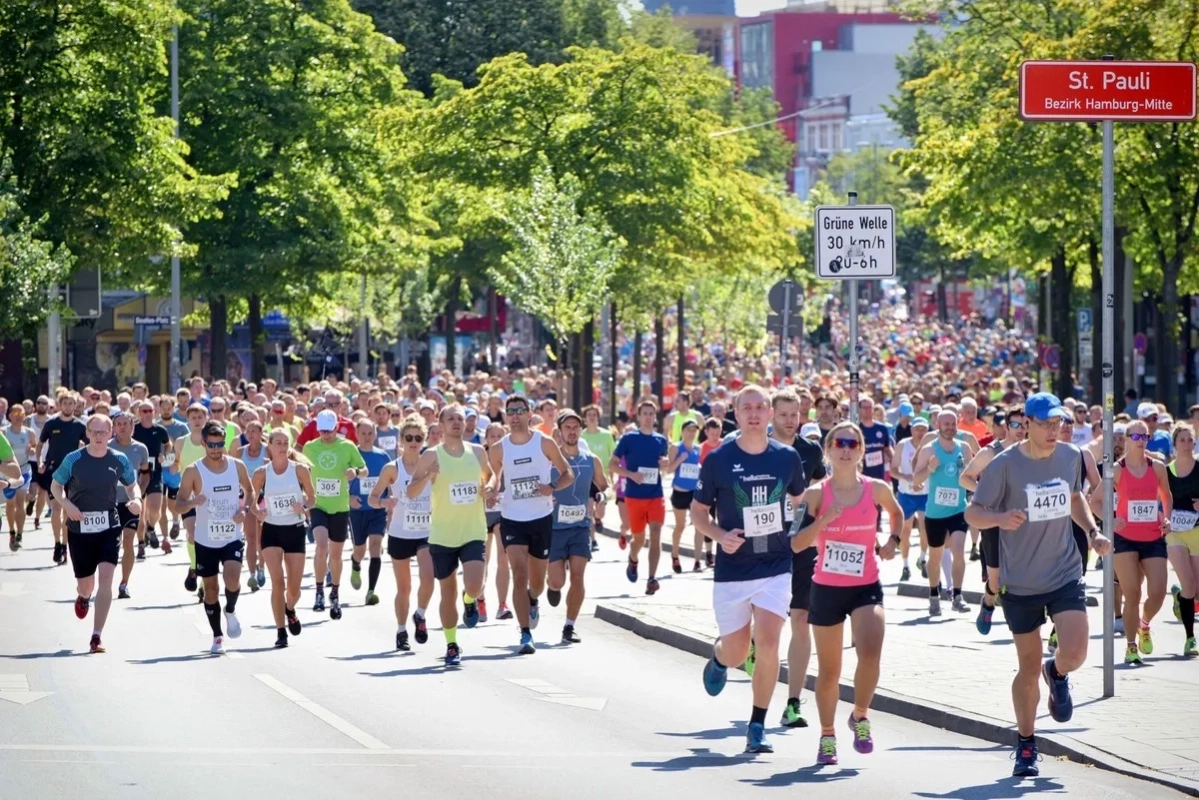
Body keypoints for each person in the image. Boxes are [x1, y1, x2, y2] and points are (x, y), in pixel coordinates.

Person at [965, 392, 1111, 778]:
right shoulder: (1004, 465)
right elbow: (973, 512)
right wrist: (999, 519)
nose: (1053, 430)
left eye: (1058, 423)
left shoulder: (1070, 456)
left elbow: (1075, 496)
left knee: (1076, 651)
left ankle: (1058, 673)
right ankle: (1026, 743)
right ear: (1026, 424)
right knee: (1027, 668)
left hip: (1064, 571)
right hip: (1021, 582)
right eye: (1045, 423)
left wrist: (1093, 531)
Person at [693, 385, 806, 755]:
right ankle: (720, 657)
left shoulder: (787, 457)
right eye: (747, 408)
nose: (755, 413)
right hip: (733, 568)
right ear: (736, 414)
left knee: (770, 642)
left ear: (769, 413)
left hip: (775, 565)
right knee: (739, 652)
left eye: (761, 407)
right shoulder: (718, 460)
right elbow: (698, 513)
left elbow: (800, 501)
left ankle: (757, 725)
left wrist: (799, 529)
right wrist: (719, 535)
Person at [793, 421, 902, 765]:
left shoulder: (877, 489)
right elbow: (796, 543)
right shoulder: (815, 495)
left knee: (871, 650)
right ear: (827, 449)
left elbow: (898, 514)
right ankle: (827, 735)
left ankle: (860, 714)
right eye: (838, 443)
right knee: (829, 671)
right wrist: (823, 522)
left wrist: (893, 541)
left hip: (865, 585)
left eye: (852, 444)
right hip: (825, 588)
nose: (845, 449)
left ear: (860, 451)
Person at [487, 394, 574, 655]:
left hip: (541, 518)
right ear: (506, 416)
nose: (514, 416)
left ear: (528, 413)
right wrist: (491, 490)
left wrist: (552, 487)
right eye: (510, 411)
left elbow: (567, 473)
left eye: (519, 411)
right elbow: (494, 478)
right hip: (512, 517)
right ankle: (525, 633)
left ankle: (533, 599)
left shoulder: (544, 442)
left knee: (535, 582)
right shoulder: (499, 448)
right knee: (518, 573)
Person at [407, 405, 493, 666]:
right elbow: (411, 491)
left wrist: (488, 487)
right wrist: (428, 477)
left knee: (475, 585)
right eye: (451, 419)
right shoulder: (431, 456)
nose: (457, 423)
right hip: (443, 535)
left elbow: (491, 475)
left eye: (460, 419)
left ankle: (471, 600)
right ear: (440, 425)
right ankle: (452, 644)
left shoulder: (477, 452)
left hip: (473, 530)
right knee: (447, 592)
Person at [51, 414, 141, 654]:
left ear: (111, 433)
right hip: (79, 529)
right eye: (95, 432)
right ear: (88, 433)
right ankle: (82, 597)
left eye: (104, 432)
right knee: (86, 585)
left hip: (108, 527)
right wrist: (66, 504)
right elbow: (55, 485)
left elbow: (132, 485)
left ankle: (96, 636)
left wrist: (137, 499)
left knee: (106, 579)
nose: (99, 437)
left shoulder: (119, 459)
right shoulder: (74, 459)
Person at [175, 420, 256, 654]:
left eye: (220, 444)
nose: (216, 449)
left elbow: (249, 491)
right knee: (210, 590)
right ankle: (218, 636)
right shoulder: (193, 471)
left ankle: (230, 609)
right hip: (205, 539)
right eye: (212, 445)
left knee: (232, 580)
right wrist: (191, 502)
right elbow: (179, 504)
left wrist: (244, 509)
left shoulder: (236, 466)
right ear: (204, 443)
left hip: (232, 535)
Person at [772, 390, 825, 728]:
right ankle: (747, 643)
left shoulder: (810, 450)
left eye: (796, 414)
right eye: (784, 414)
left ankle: (793, 702)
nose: (791, 420)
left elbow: (820, 491)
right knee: (767, 621)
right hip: (765, 545)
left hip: (803, 542)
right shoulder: (757, 447)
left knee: (801, 619)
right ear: (772, 415)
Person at [370, 417, 436, 651]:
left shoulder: (431, 466)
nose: (413, 442)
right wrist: (384, 501)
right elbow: (372, 497)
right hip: (399, 533)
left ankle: (420, 614)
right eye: (409, 438)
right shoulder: (392, 468)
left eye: (418, 438)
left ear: (424, 440)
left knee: (428, 578)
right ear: (401, 440)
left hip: (426, 532)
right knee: (404, 588)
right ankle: (401, 630)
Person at [1109, 419, 1172, 664]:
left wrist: (1166, 518)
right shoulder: (1116, 469)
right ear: (1126, 440)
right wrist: (1111, 521)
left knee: (1157, 592)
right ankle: (1131, 646)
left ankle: (1144, 624)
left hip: (1153, 535)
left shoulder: (1157, 467)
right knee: (1132, 593)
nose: (1141, 441)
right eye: (1136, 437)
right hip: (1125, 539)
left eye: (1144, 437)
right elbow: (1095, 500)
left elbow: (1166, 495)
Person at [547, 409, 608, 644]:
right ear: (560, 432)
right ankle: (550, 584)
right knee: (557, 582)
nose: (572, 431)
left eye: (575, 427)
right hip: (554, 528)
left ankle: (569, 626)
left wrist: (602, 498)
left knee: (578, 576)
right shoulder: (550, 459)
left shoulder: (591, 460)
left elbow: (603, 486)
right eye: (567, 428)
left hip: (581, 526)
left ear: (580, 430)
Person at [251, 430, 315, 648]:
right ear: (269, 446)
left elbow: (312, 498)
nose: (281, 446)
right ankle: (280, 631)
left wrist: (304, 506)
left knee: (294, 589)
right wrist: (256, 511)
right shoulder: (261, 473)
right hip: (271, 530)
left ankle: (290, 608)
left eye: (285, 443)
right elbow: (250, 501)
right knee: (277, 581)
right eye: (277, 442)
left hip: (295, 529)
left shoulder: (300, 470)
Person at [302, 409, 368, 619]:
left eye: (329, 431)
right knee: (321, 546)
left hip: (340, 506)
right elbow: (301, 472)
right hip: (318, 505)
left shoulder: (347, 446)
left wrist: (355, 472)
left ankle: (335, 593)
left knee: (337, 555)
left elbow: (364, 469)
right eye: (322, 431)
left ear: (336, 428)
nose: (326, 434)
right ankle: (319, 590)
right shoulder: (310, 447)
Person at [912, 410, 975, 615]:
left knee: (958, 551)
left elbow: (973, 475)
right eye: (945, 424)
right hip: (935, 512)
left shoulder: (964, 448)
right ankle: (933, 595)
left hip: (958, 508)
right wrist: (929, 468)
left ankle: (957, 595)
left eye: (953, 424)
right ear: (938, 424)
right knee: (935, 556)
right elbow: (916, 480)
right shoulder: (929, 450)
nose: (949, 427)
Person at [609, 401, 670, 595]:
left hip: (655, 494)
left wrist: (665, 464)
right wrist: (630, 475)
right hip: (634, 496)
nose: (648, 417)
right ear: (638, 416)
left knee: (656, 534)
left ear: (655, 417)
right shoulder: (629, 438)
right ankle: (633, 559)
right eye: (644, 413)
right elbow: (612, 465)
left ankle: (652, 578)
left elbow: (663, 465)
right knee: (639, 539)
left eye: (651, 413)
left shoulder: (661, 440)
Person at [39, 395, 88, 566]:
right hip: (55, 470)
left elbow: (90, 446)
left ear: (75, 405)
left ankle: (65, 546)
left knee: (68, 511)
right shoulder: (51, 424)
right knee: (56, 508)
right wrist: (40, 461)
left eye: (71, 403)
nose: (67, 406)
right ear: (60, 405)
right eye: (64, 403)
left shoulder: (80, 425)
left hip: (73, 473)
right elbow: (40, 443)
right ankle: (57, 544)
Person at [108, 412, 150, 599]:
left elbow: (145, 474)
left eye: (126, 423)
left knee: (128, 542)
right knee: (110, 545)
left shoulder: (140, 449)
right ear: (114, 427)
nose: (122, 427)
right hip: (109, 503)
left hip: (131, 503)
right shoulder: (107, 447)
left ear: (132, 426)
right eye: (119, 424)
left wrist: (138, 496)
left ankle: (124, 583)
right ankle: (105, 580)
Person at [349, 419, 390, 605]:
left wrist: (389, 503)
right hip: (357, 510)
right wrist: (347, 498)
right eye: (363, 433)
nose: (367, 437)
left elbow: (392, 481)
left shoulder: (383, 457)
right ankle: (355, 563)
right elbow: (338, 482)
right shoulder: (351, 455)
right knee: (360, 550)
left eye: (370, 433)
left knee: (375, 546)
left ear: (375, 434)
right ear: (357, 435)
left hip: (377, 509)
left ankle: (371, 591)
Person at [1166, 423, 1199, 656]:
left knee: (1196, 590)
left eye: (1190, 440)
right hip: (1174, 533)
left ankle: (1180, 597)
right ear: (1174, 443)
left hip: (1197, 531)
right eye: (1183, 440)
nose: (1187, 444)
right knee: (1189, 585)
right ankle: (1190, 638)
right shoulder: (1166, 471)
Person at [666, 420, 702, 573]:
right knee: (680, 526)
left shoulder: (698, 449)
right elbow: (669, 469)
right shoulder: (676, 447)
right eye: (688, 430)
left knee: (700, 526)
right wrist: (680, 459)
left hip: (694, 492)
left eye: (694, 431)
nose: (691, 433)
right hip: (680, 491)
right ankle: (675, 555)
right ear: (682, 432)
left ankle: (697, 561)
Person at [4, 406, 35, 550]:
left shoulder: (29, 432)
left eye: (21, 413)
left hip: (24, 470)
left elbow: (34, 447)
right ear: (10, 415)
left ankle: (20, 535)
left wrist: (31, 450)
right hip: (8, 474)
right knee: (10, 504)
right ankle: (11, 531)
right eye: (15, 413)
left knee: (20, 501)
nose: (18, 416)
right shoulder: (4, 432)